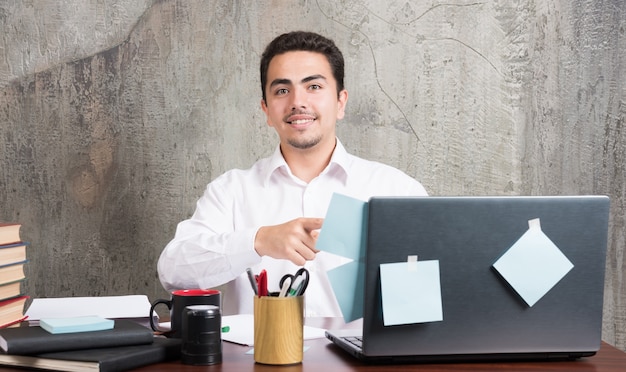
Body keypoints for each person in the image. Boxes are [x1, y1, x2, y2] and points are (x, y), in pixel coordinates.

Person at [157, 31, 428, 317]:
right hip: (256, 359)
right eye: (282, 90)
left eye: (313, 86)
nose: (298, 102)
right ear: (266, 109)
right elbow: (174, 273)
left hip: (363, 360)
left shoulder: (396, 190)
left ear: (340, 102)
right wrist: (257, 241)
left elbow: (422, 303)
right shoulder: (231, 190)